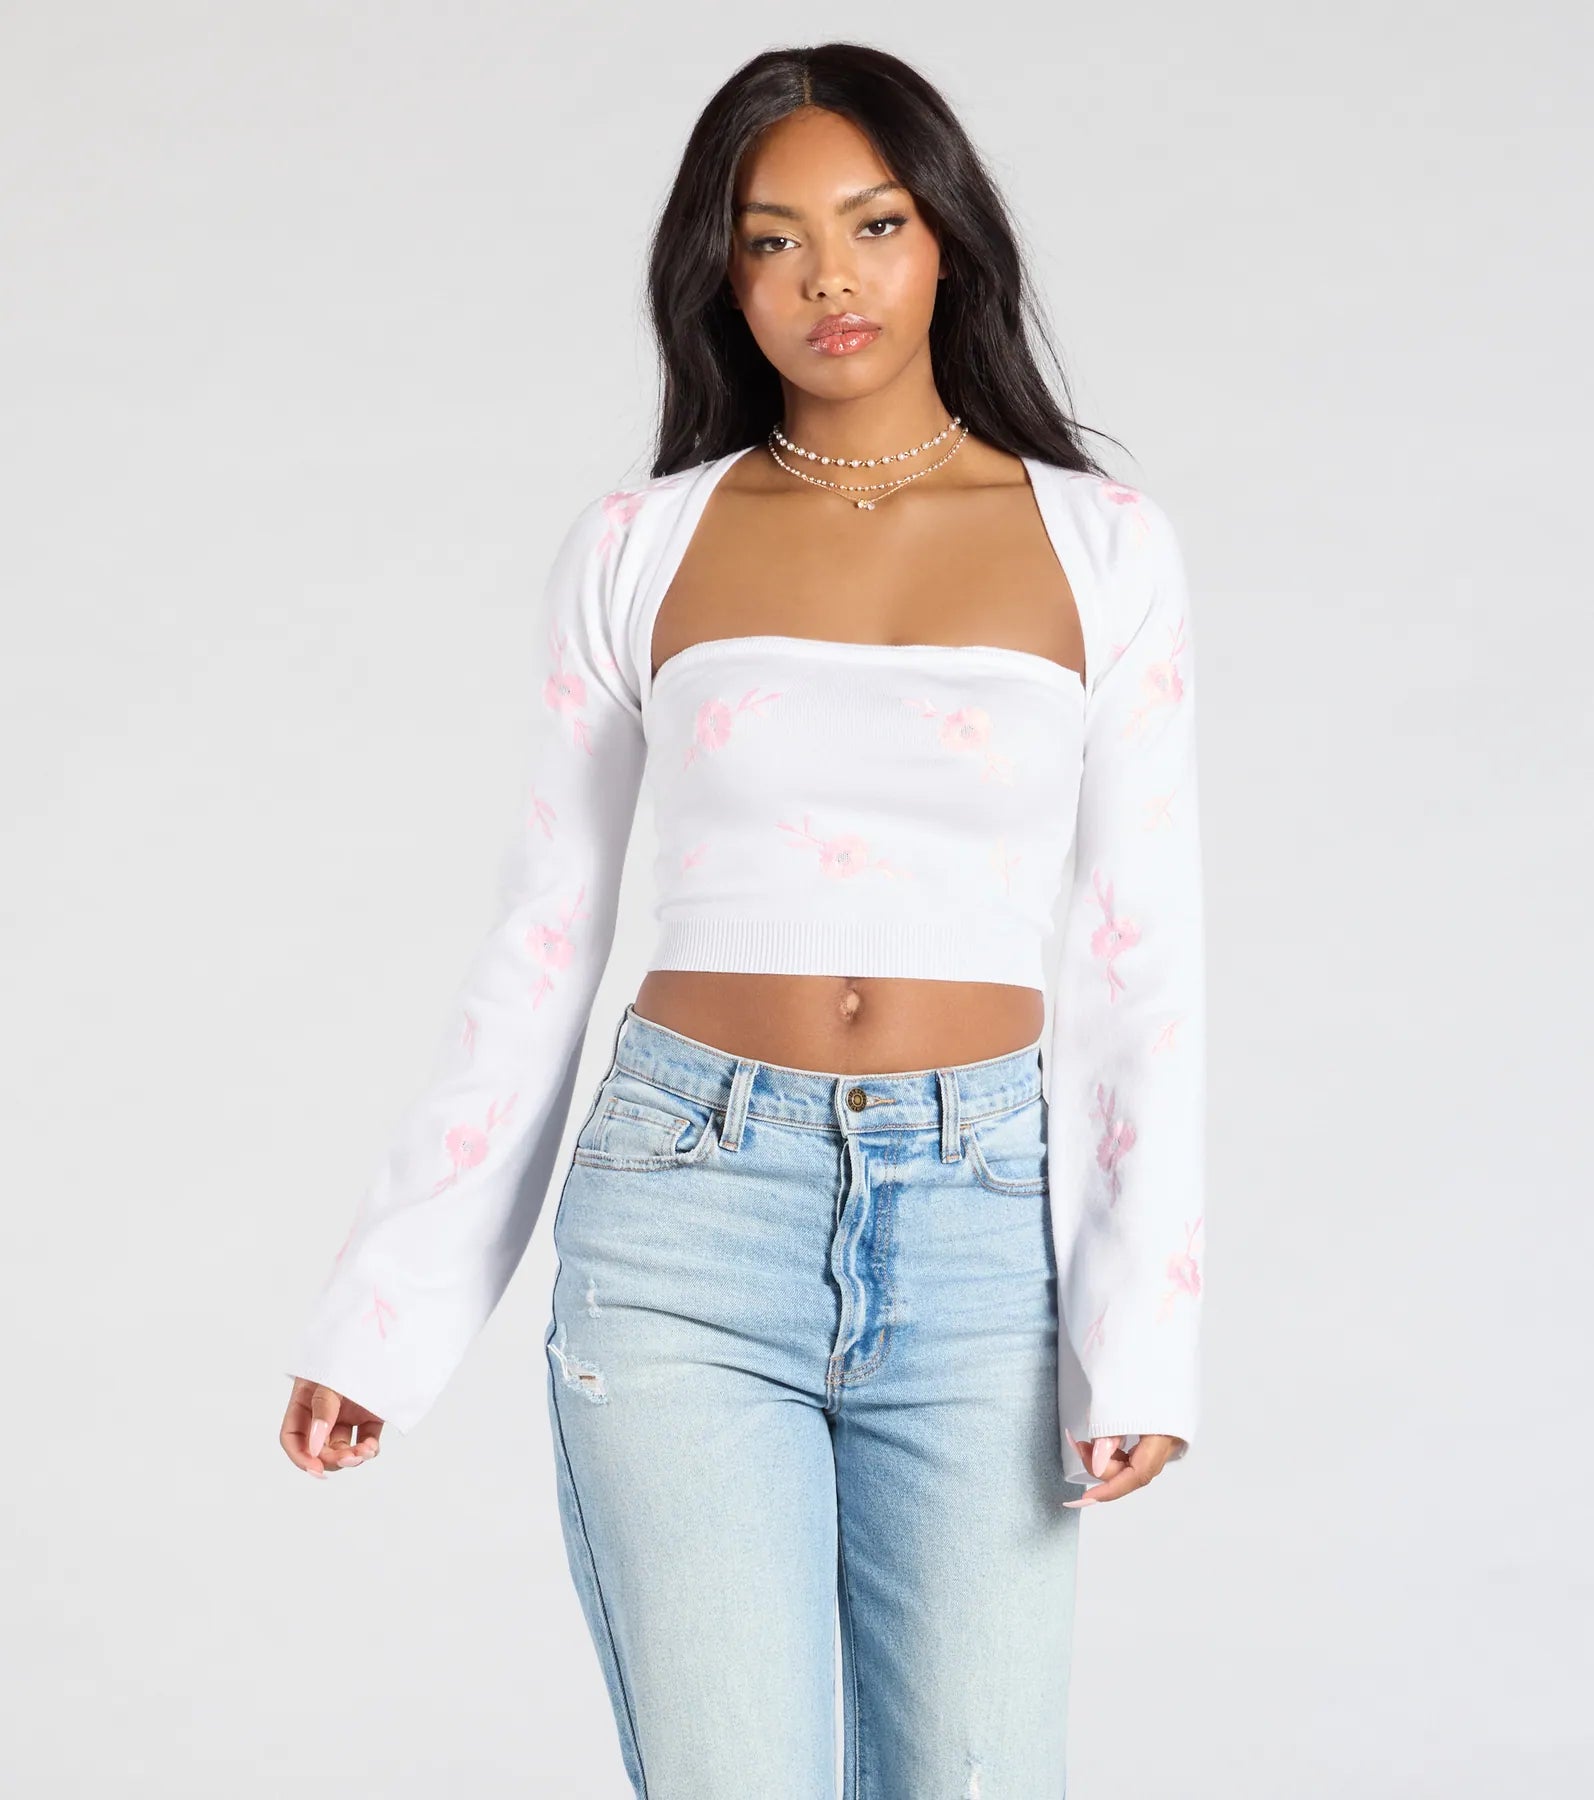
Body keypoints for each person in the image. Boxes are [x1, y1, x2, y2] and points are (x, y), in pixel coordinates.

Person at [279, 42, 1207, 1798]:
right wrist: (384, 1313)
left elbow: (1138, 956)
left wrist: (1136, 1333)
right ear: (720, 272)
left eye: (871, 224)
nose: (826, 278)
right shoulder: (639, 543)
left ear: (947, 239)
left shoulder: (1103, 546)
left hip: (979, 1234)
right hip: (685, 1219)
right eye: (771, 239)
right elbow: (542, 938)